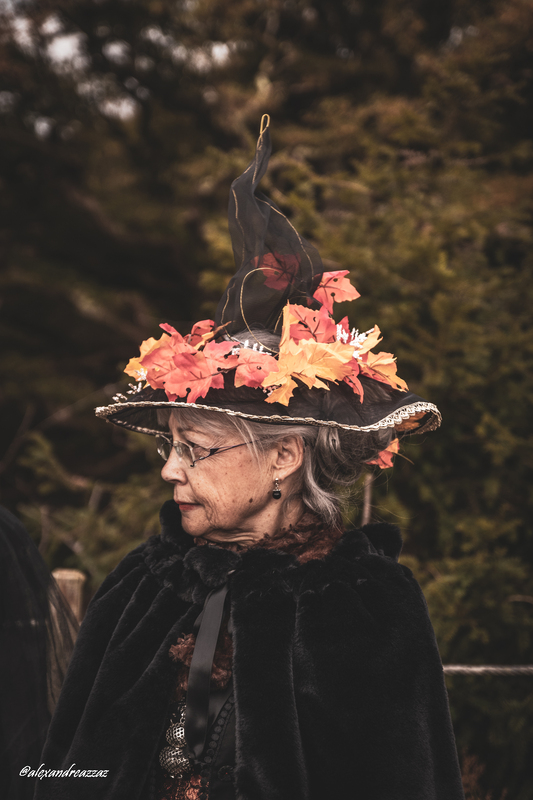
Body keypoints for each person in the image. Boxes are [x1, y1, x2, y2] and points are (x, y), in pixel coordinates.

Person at [35, 116, 465, 800]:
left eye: (195, 450)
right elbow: (65, 768)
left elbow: (409, 781)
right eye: (170, 446)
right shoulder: (143, 587)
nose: (170, 471)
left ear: (284, 457)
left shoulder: (366, 604)